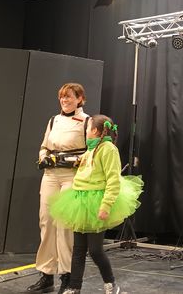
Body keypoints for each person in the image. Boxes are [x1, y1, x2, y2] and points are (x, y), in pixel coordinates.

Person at [49, 114, 143, 294]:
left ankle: (111, 283)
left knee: (95, 250)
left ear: (94, 130)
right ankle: (74, 287)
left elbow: (113, 180)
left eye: (88, 127)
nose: (85, 130)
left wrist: (106, 205)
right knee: (78, 249)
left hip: (96, 202)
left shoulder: (108, 149)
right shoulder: (91, 148)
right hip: (81, 201)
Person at [26, 83, 89, 294]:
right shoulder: (53, 120)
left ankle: (67, 275)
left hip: (72, 176)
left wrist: (76, 160)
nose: (64, 100)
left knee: (65, 225)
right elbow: (44, 146)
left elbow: (92, 151)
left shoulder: (86, 121)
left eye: (69, 97)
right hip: (50, 175)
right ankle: (46, 275)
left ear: (79, 99)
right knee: (46, 221)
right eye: (62, 97)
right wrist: (44, 157)